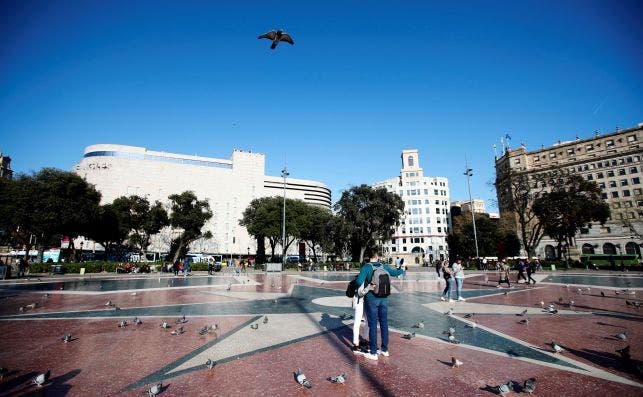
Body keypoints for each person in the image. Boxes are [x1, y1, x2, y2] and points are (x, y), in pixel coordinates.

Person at [355, 248, 404, 361]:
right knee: (384, 324)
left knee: (372, 325)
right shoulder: (383, 266)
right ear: (376, 256)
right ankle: (384, 350)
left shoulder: (366, 267)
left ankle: (373, 352)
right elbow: (396, 273)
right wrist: (402, 269)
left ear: (368, 256)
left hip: (372, 298)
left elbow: (358, 282)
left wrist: (368, 284)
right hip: (384, 299)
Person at [351, 269, 370, 355]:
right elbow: (360, 293)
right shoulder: (360, 279)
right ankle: (356, 344)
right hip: (359, 302)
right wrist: (369, 287)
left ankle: (365, 339)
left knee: (367, 321)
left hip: (365, 302)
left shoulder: (366, 277)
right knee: (357, 322)